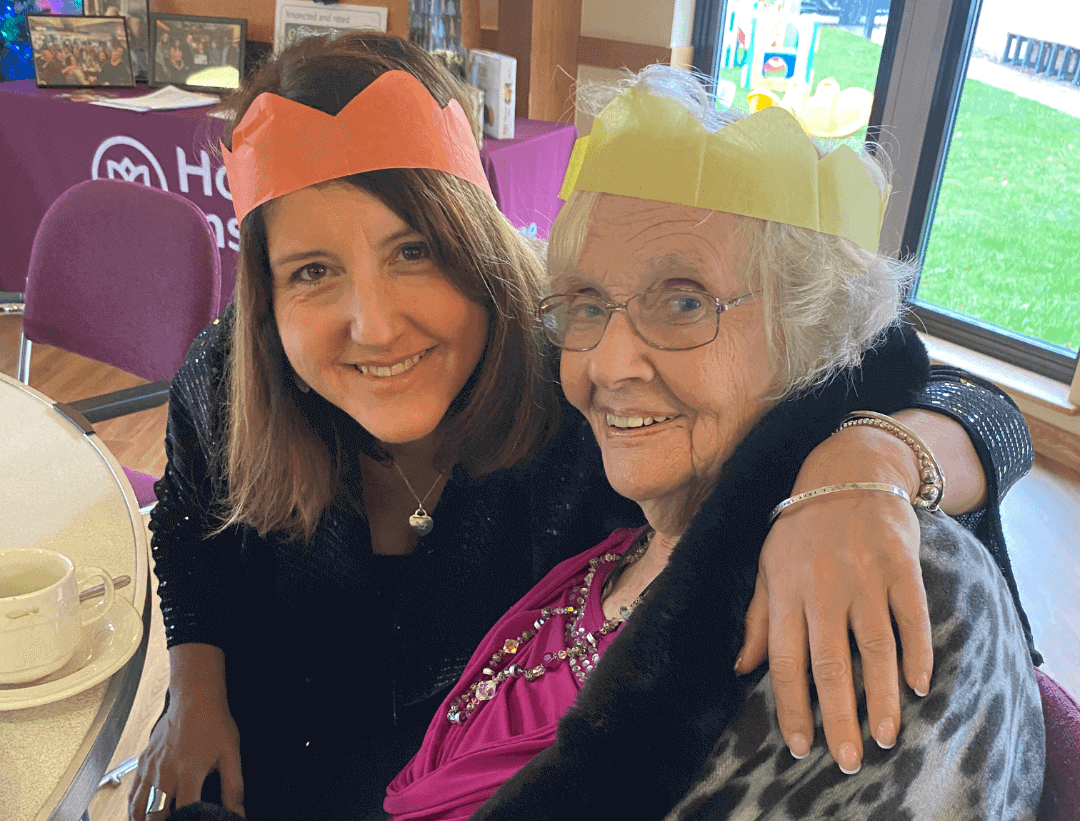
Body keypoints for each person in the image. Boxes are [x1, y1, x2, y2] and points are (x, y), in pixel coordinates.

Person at [131, 32, 1036, 821]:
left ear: (476, 243)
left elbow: (909, 372)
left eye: (413, 251)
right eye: (312, 272)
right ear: (265, 297)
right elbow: (185, 519)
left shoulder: (588, 389)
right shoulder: (236, 375)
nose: (372, 324)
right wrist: (196, 684)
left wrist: (872, 455)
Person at [385, 68, 1045, 820]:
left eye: (685, 302)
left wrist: (878, 458)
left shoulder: (870, 578)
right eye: (588, 305)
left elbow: (966, 398)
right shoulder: (601, 510)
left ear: (808, 334)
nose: (608, 363)